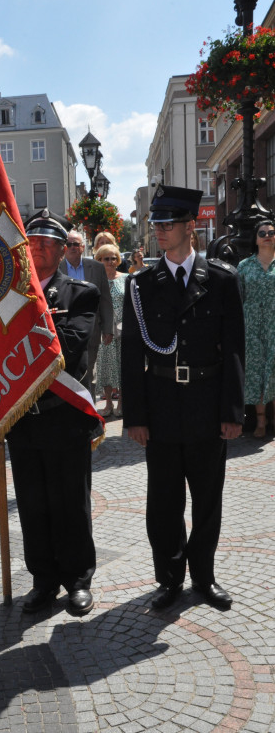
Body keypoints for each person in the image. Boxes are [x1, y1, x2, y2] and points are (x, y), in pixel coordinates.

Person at [121, 185, 244, 611]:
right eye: (156, 223)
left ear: (191, 226)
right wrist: (134, 416)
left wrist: (232, 411)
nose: (159, 230)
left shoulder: (223, 281)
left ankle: (204, 578)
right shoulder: (141, 286)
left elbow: (233, 350)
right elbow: (131, 354)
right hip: (161, 408)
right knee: (164, 501)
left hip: (208, 406)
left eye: (167, 223)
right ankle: (169, 578)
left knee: (208, 498)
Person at [6, 209, 100, 616]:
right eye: (34, 240)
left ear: (63, 250)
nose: (39, 246)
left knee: (70, 502)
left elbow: (70, 348)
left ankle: (78, 579)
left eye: (49, 241)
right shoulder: (7, 295)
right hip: (22, 418)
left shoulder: (81, 293)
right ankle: (43, 579)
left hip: (64, 415)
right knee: (32, 502)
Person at [59, 228, 113, 399]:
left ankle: (90, 411)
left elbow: (105, 299)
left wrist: (108, 328)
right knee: (66, 373)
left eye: (76, 244)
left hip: (91, 330)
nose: (72, 247)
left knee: (88, 372)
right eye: (69, 244)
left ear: (83, 247)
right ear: (64, 247)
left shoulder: (96, 268)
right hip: (63, 332)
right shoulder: (56, 267)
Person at [237, 219, 275, 438]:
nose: (267, 235)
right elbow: (238, 297)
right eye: (262, 233)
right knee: (256, 371)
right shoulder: (245, 265)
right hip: (251, 325)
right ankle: (261, 420)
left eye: (271, 232)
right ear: (256, 238)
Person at [94, 244, 127, 417]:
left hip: (123, 329)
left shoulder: (127, 279)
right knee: (105, 368)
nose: (111, 261)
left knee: (122, 366)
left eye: (114, 258)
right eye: (106, 258)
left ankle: (121, 402)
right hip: (104, 330)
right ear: (99, 260)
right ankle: (108, 404)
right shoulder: (95, 280)